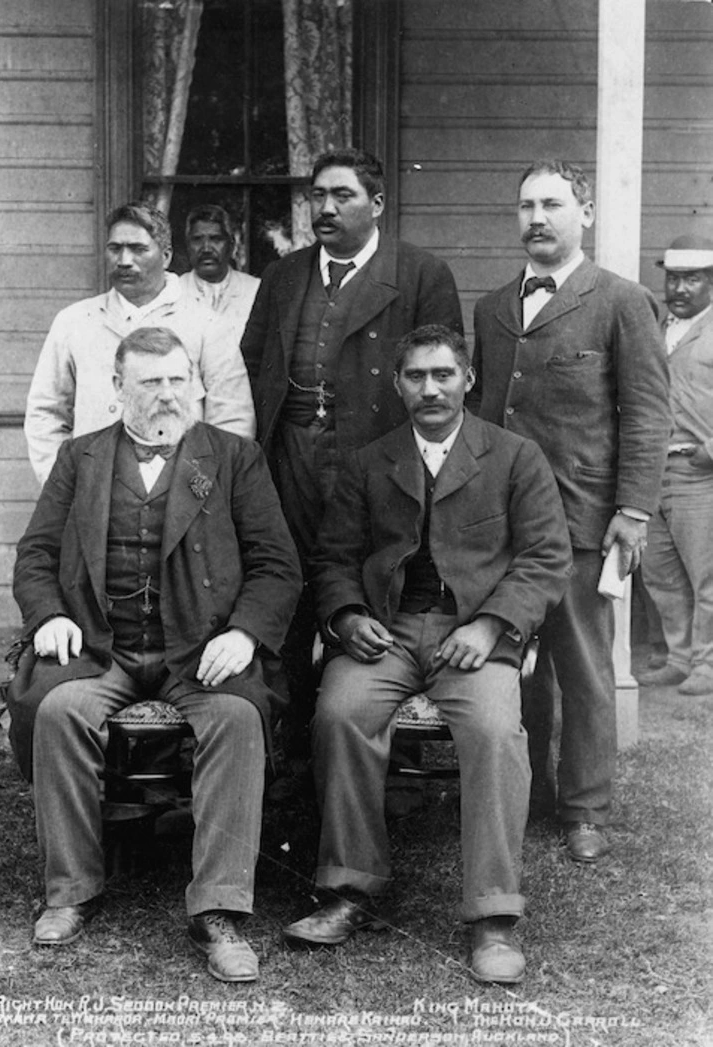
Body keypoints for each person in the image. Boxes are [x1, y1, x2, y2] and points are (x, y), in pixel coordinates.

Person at [6, 327, 301, 982]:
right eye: (151, 382)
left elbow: (277, 566)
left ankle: (220, 908)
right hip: (102, 646)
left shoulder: (233, 457)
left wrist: (244, 633)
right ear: (118, 390)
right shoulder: (81, 458)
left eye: (177, 379)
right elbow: (36, 556)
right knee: (57, 711)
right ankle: (71, 888)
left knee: (235, 719)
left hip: (199, 648)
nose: (168, 394)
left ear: (194, 383)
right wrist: (50, 615)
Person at [282, 325, 571, 984]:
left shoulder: (514, 456)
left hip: (474, 633)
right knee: (340, 712)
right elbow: (333, 557)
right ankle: (348, 889)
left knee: (497, 730)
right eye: (416, 375)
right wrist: (348, 615)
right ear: (398, 383)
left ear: (468, 379)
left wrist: (493, 625)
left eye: (444, 374)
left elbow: (545, 556)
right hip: (386, 628)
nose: (431, 388)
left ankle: (493, 918)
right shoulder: (367, 461)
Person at [471, 159, 671, 862]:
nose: (537, 218)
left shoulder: (620, 299)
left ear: (583, 210)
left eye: (552, 204)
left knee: (582, 663)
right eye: (525, 205)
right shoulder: (493, 306)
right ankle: (527, 791)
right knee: (510, 660)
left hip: (584, 517)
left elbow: (647, 413)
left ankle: (584, 804)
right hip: (502, 520)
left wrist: (634, 510)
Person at [241, 148, 462, 770]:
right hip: (290, 459)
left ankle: (386, 763)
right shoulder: (284, 275)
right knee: (288, 597)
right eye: (318, 196)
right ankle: (287, 757)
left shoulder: (420, 274)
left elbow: (439, 383)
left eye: (342, 196)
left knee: (371, 598)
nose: (327, 208)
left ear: (378, 204)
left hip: (377, 464)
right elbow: (253, 362)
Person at [25, 202, 255, 486]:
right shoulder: (74, 322)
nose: (123, 260)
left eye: (138, 249)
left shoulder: (207, 325)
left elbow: (233, 421)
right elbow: (46, 413)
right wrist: (64, 486)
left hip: (183, 500)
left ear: (166, 256)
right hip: (95, 496)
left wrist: (204, 492)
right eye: (115, 248)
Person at [638, 235, 713, 695]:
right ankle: (679, 658)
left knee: (708, 575)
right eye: (674, 278)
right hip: (654, 471)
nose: (681, 288)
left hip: (700, 474)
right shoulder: (655, 328)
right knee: (661, 575)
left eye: (694, 279)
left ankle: (708, 663)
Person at [178, 204, 260, 358]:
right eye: (197, 240)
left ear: (231, 245)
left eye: (216, 239)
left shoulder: (256, 291)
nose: (207, 248)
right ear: (187, 246)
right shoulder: (173, 292)